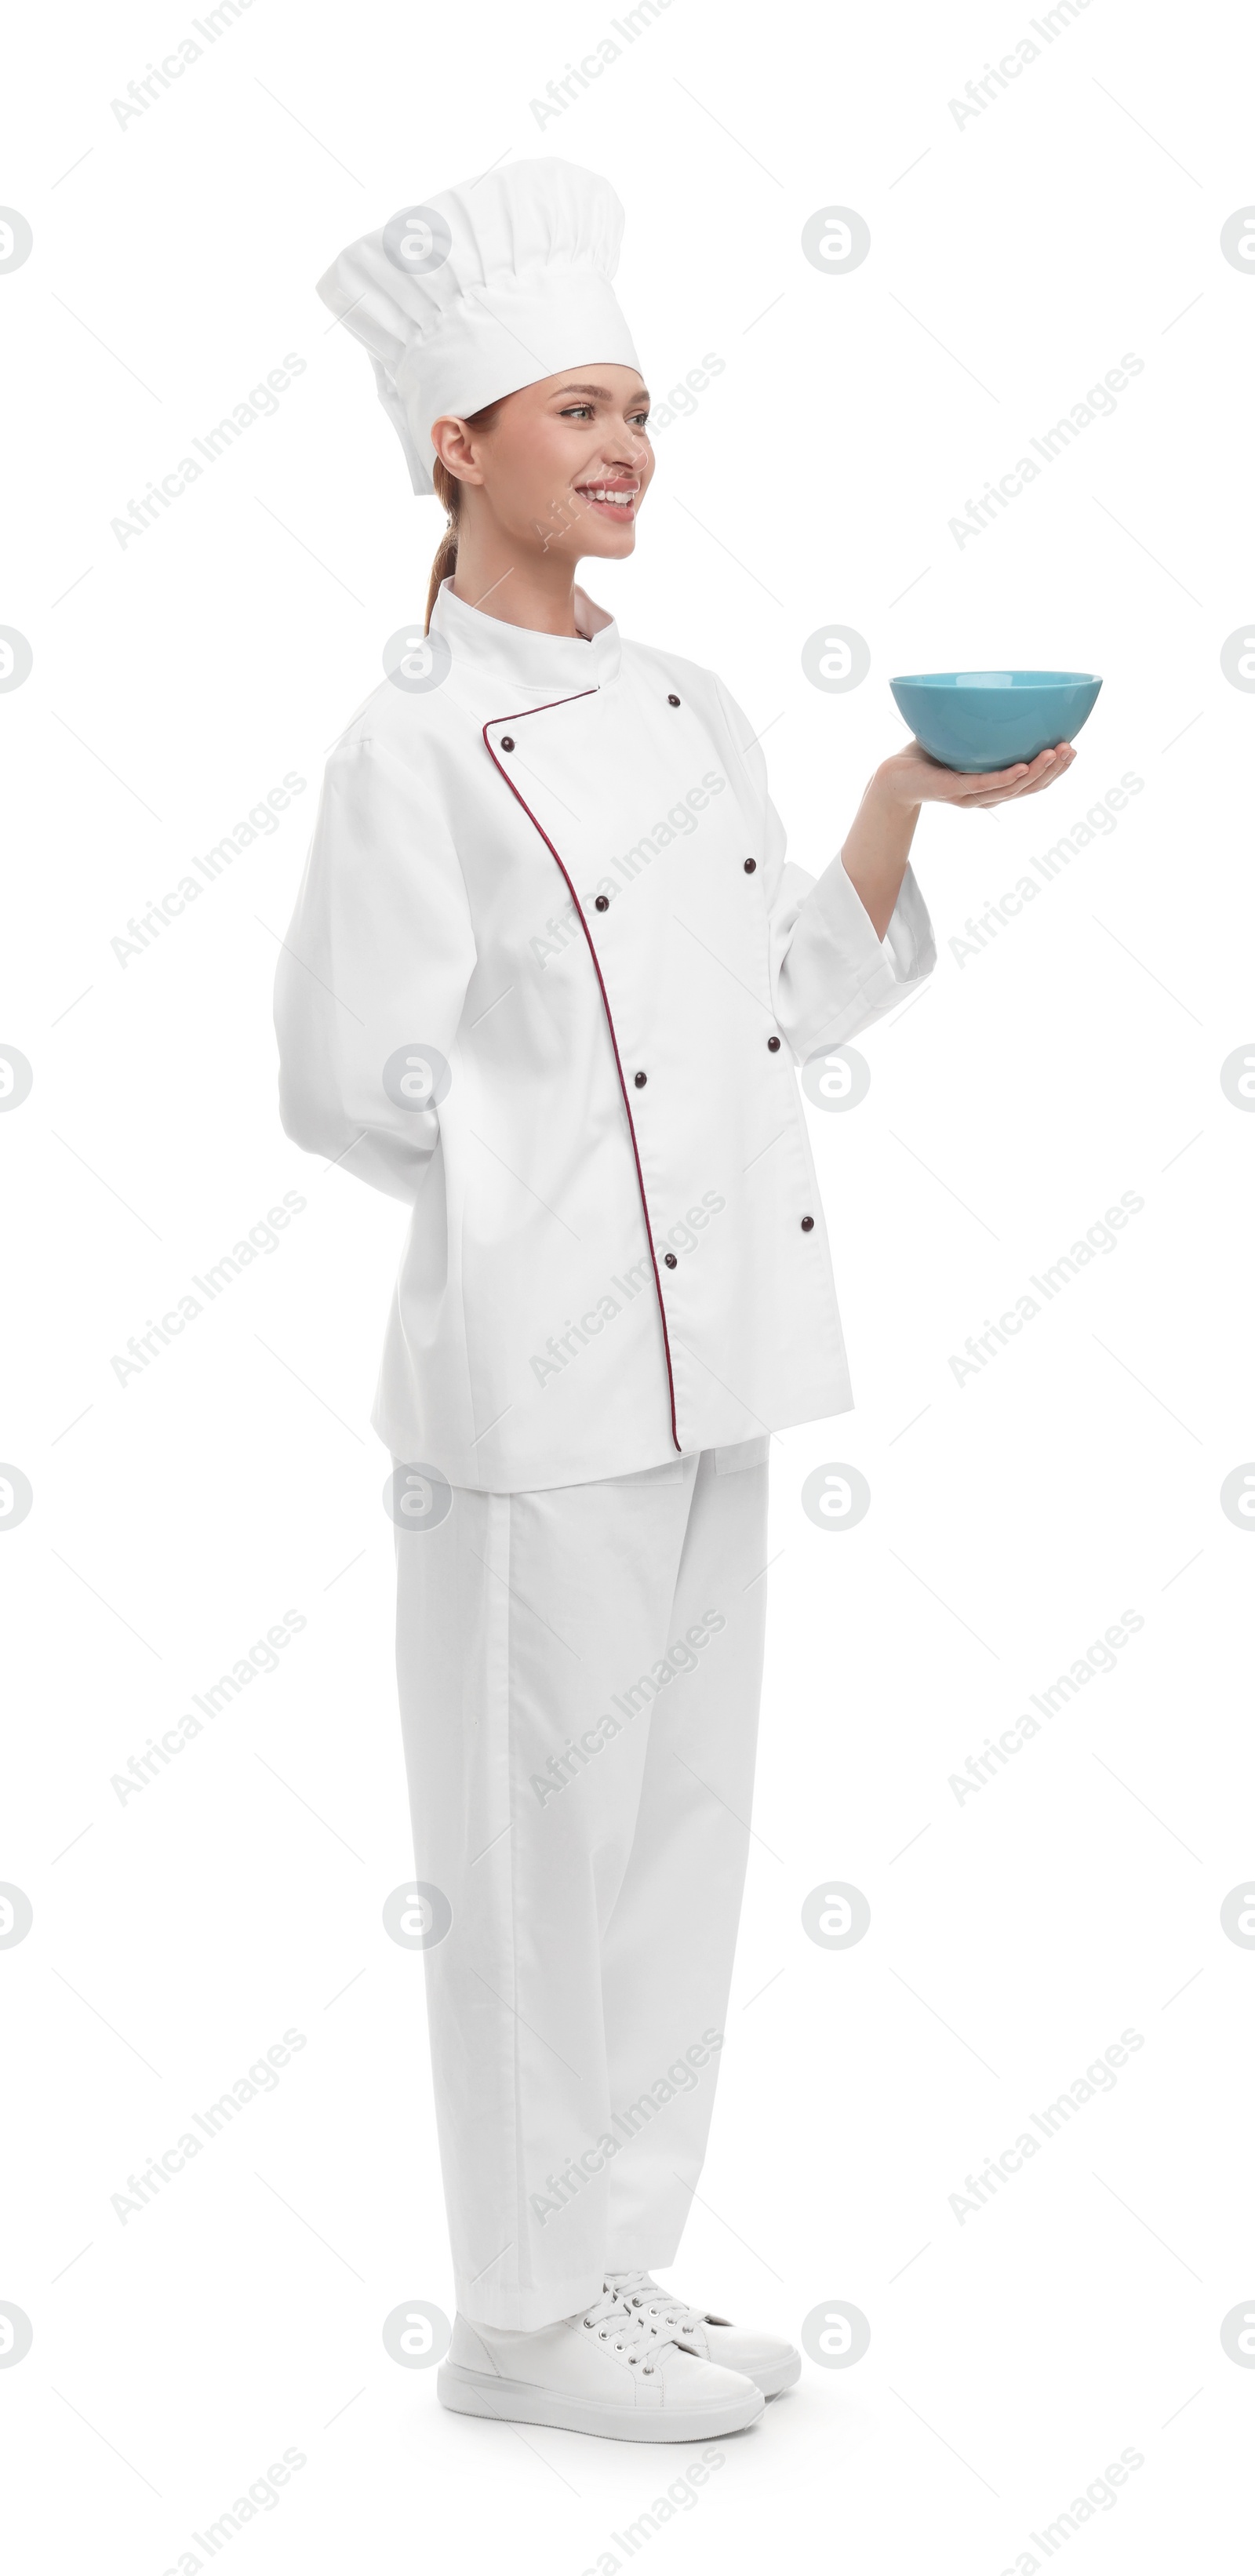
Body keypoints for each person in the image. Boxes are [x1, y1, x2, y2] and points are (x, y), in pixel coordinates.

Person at [274, 156, 1076, 2444]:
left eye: (642, 405)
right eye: (578, 409)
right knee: (529, 1849)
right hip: (532, 1386)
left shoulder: (703, 707)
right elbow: (356, 1081)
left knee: (673, 1834)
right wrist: (548, 1200)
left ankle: (610, 2261)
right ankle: (519, 2307)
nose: (628, 446)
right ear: (459, 444)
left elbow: (778, 1008)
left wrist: (903, 799)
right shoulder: (414, 737)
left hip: (718, 1355)